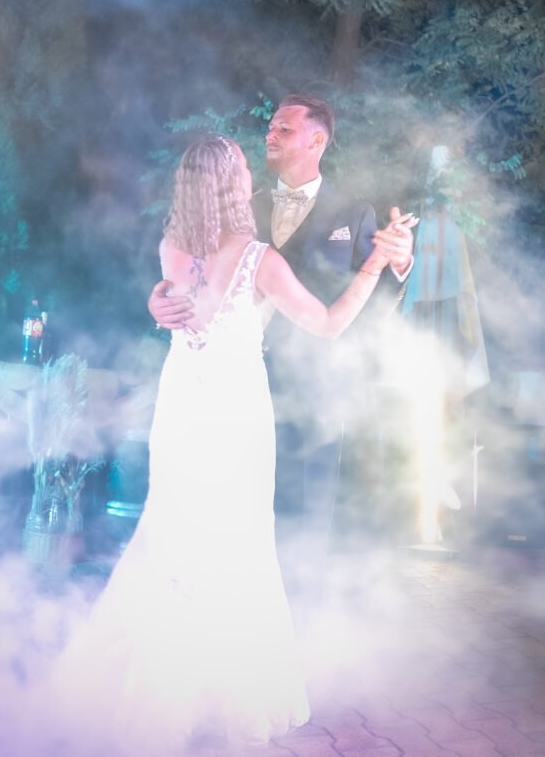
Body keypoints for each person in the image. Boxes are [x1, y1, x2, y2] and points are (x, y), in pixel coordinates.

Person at [57, 135, 415, 755]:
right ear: (228, 185)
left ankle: (161, 689)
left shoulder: (170, 248)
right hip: (234, 412)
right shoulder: (259, 260)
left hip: (181, 407)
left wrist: (154, 302)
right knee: (237, 540)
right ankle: (218, 695)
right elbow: (328, 324)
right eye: (244, 168)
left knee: (172, 535)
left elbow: (173, 300)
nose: (253, 172)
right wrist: (373, 265)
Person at [149, 96, 416, 592]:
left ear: (317, 141)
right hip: (236, 393)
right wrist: (158, 300)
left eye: (284, 129)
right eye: (270, 127)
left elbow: (372, 310)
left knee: (304, 528)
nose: (270, 134)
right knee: (228, 522)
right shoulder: (239, 205)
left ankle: (296, 617)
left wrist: (398, 264)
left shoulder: (356, 213)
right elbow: (195, 280)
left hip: (313, 393)